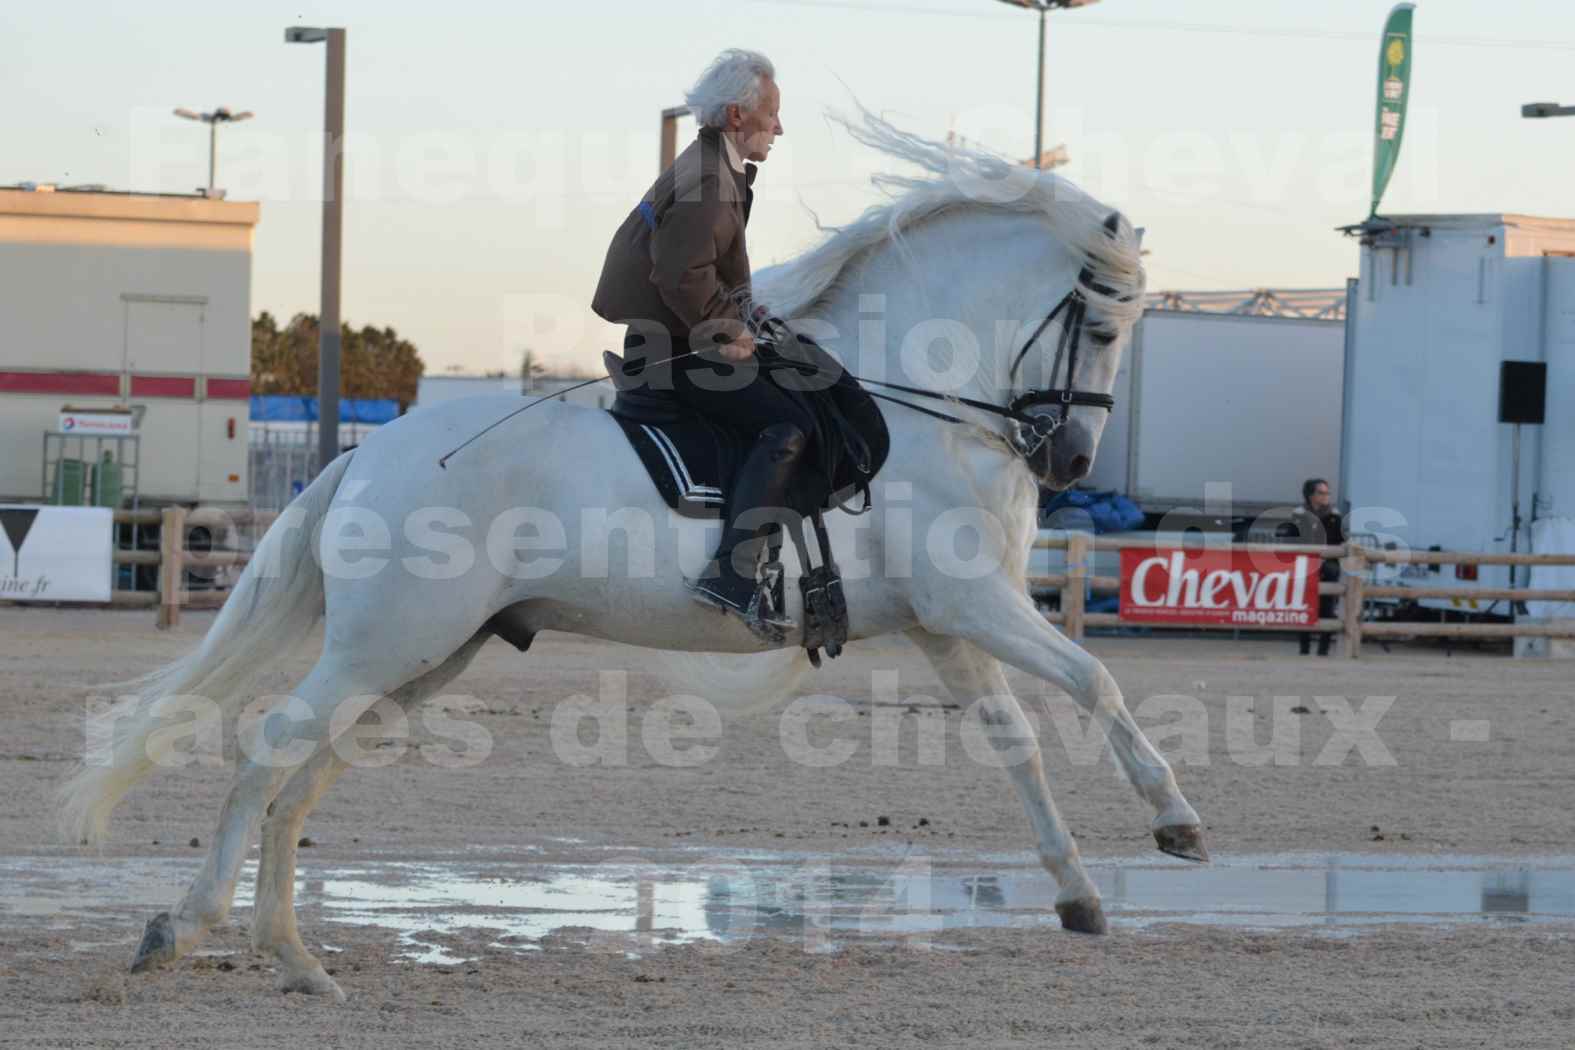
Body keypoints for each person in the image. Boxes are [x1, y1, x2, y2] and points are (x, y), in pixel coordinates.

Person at [591, 49, 804, 639]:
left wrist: (748, 313)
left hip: (674, 341)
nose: (779, 128)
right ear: (738, 115)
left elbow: (704, 270)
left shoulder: (715, 167)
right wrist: (727, 329)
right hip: (675, 355)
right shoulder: (709, 177)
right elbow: (680, 275)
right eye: (772, 115)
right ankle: (732, 576)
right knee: (786, 427)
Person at [1285, 477, 1344, 656]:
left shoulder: (1335, 516)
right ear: (1311, 495)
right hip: (1306, 566)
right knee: (1306, 606)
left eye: (1328, 492)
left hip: (1329, 566)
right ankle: (1304, 649)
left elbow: (1340, 542)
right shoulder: (1298, 515)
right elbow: (1289, 540)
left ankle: (1323, 650)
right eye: (1321, 492)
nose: (1326, 496)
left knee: (1327, 608)